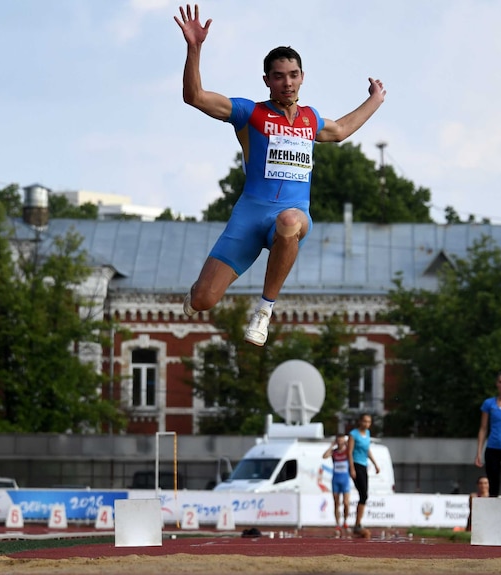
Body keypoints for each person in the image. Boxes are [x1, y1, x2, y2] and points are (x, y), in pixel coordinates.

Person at [174, 4, 387, 346]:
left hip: (291, 214)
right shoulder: (250, 113)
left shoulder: (310, 119)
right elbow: (195, 97)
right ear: (267, 80)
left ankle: (263, 311)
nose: (286, 82)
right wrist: (194, 48)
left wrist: (375, 100)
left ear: (302, 76)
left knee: (289, 221)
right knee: (203, 301)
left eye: (293, 75)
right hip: (249, 215)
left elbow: (343, 129)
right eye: (278, 76)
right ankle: (197, 293)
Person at [348, 414, 381, 536]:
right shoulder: (353, 434)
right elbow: (349, 452)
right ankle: (357, 524)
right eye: (365, 421)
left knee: (364, 495)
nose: (367, 424)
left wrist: (375, 464)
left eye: (369, 422)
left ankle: (358, 523)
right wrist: (352, 469)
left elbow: (367, 450)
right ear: (360, 421)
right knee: (363, 494)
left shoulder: (367, 434)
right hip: (356, 465)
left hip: (364, 465)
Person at [322, 434, 352, 536]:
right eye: (338, 441)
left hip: (345, 481)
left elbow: (352, 453)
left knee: (346, 503)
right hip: (335, 480)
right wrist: (331, 446)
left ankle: (345, 521)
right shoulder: (334, 452)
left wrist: (347, 444)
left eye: (342, 440)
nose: (340, 442)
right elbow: (324, 456)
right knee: (336, 503)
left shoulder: (347, 451)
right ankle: (337, 524)